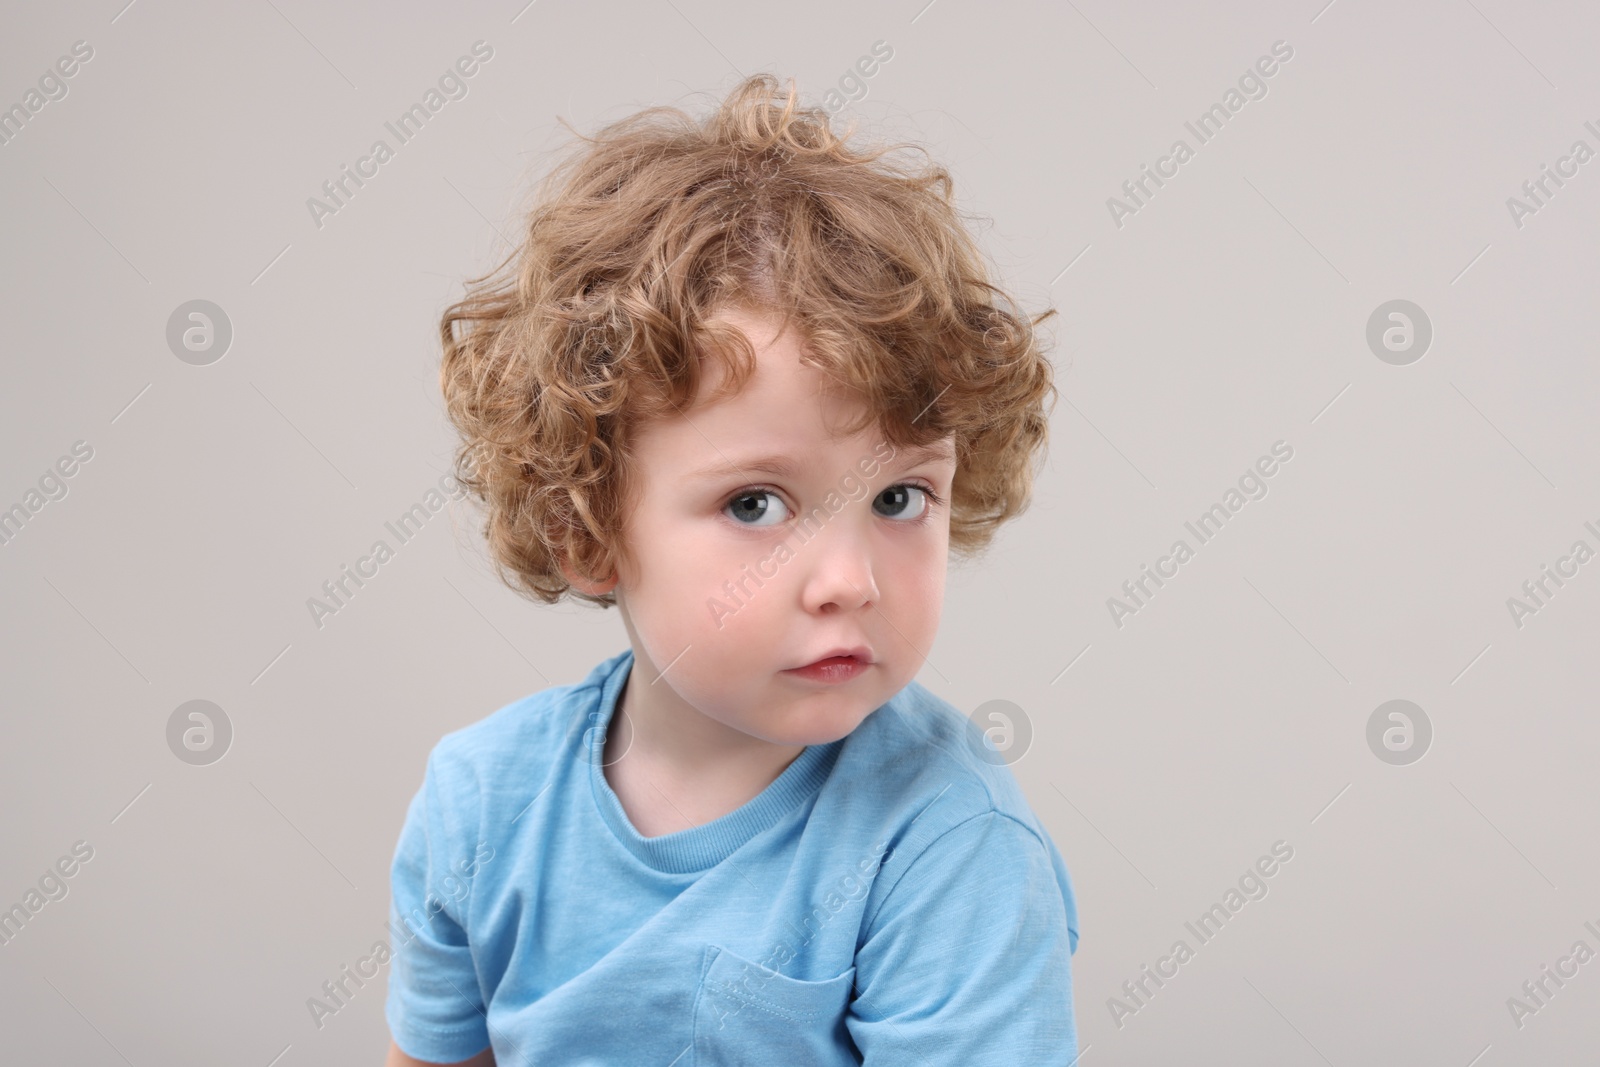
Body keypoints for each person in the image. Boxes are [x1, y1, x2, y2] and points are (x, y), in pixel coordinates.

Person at [383, 72, 1079, 1066]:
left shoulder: (942, 841)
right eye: (755, 504)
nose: (849, 579)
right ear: (585, 528)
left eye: (897, 498)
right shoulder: (483, 803)